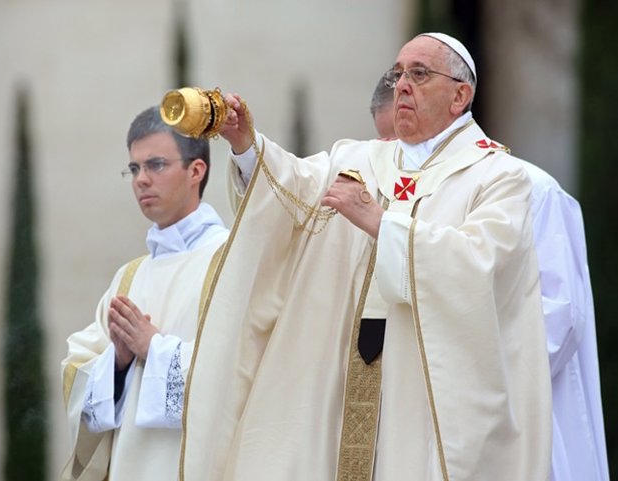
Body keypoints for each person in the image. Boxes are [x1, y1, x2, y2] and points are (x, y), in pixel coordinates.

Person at [180, 33, 552, 481]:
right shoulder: (357, 158)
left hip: (418, 390)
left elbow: (480, 266)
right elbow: (291, 194)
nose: (402, 86)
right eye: (398, 75)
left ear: (460, 95)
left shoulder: (498, 177)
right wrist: (246, 145)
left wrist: (380, 222)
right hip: (336, 373)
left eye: (419, 74)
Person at [369, 71, 610, 481]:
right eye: (386, 144)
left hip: (512, 414)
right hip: (421, 413)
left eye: (399, 141)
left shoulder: (531, 187)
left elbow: (559, 316)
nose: (396, 157)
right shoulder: (399, 196)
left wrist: (454, 361)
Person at [60, 106, 229, 481]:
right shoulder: (130, 277)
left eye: (156, 165)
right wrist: (116, 363)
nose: (141, 180)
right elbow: (77, 373)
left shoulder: (231, 262)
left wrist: (154, 348)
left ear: (196, 171)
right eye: (135, 169)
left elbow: (245, 371)